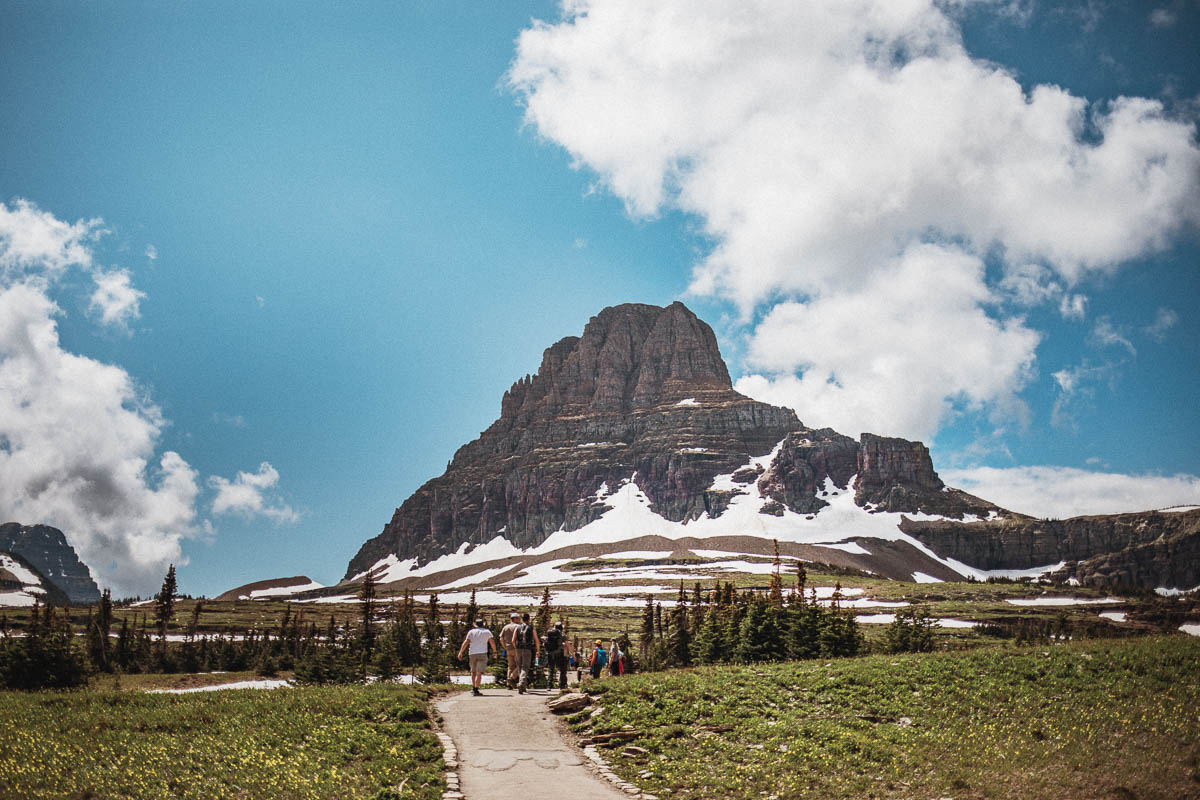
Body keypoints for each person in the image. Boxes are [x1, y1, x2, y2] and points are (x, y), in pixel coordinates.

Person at [457, 617, 496, 696]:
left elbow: (466, 642)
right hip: (482, 653)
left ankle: (473, 687)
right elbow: (492, 642)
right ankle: (476, 689)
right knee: (479, 672)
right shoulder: (487, 632)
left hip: (472, 653)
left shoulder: (471, 632)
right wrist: (495, 651)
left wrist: (461, 652)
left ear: (475, 625)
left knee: (473, 671)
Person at [514, 612, 540, 693]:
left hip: (518, 649)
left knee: (519, 666)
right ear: (529, 619)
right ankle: (521, 683)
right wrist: (538, 650)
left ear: (522, 619)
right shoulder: (531, 627)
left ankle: (523, 686)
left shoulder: (517, 627)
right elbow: (536, 640)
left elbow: (513, 640)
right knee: (525, 667)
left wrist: (516, 648)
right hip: (527, 649)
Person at [544, 621, 571, 690]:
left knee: (551, 670)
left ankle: (549, 686)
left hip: (550, 654)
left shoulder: (549, 634)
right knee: (562, 669)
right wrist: (573, 655)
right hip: (559, 654)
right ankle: (562, 685)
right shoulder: (562, 635)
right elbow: (567, 645)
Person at [498, 612, 522, 690]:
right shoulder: (519, 627)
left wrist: (504, 647)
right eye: (518, 618)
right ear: (515, 619)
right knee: (520, 665)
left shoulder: (505, 627)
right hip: (516, 648)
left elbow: (501, 638)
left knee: (510, 666)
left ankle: (509, 684)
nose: (519, 619)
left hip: (508, 649)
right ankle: (512, 677)